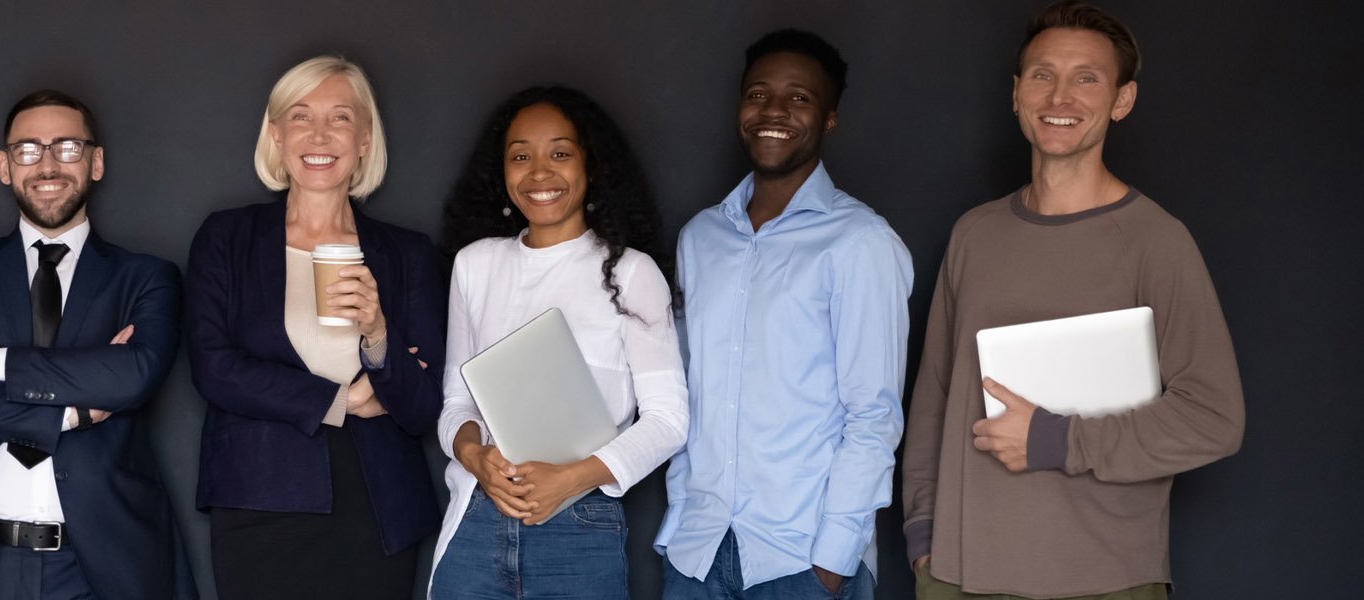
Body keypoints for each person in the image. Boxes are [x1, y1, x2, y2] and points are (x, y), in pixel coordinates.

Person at [901, 2, 1245, 598]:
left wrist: (1056, 440)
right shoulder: (973, 233)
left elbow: (1213, 420)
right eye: (1042, 75)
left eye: (1087, 78)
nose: (1060, 98)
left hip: (1106, 577)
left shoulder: (1157, 242)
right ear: (1016, 94)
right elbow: (935, 395)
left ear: (1122, 99)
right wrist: (923, 536)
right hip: (960, 573)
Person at [657, 29, 912, 600]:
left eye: (799, 97)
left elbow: (873, 415)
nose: (774, 110)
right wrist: (680, 516)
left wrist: (833, 561)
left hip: (801, 563)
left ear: (828, 119)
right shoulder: (700, 238)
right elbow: (684, 390)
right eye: (758, 94)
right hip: (696, 553)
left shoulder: (861, 242)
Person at [0, 90, 181, 600]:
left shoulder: (145, 278)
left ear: (96, 162)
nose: (47, 165)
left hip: (100, 569)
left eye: (67, 147)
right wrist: (71, 415)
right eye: (28, 150)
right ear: (6, 167)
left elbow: (134, 374)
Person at [186, 55, 444, 600]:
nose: (320, 134)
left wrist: (377, 331)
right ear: (276, 135)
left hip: (378, 507)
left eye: (341, 118)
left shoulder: (407, 254)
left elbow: (421, 407)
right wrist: (340, 401)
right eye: (301, 116)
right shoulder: (227, 237)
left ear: (366, 139)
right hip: (259, 498)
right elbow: (215, 368)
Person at [429, 86, 689, 599]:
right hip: (477, 519)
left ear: (591, 166)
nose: (539, 172)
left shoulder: (631, 273)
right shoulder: (474, 265)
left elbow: (668, 421)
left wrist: (569, 480)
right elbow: (457, 402)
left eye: (560, 153)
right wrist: (473, 456)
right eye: (521, 155)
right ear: (502, 171)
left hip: (580, 524)